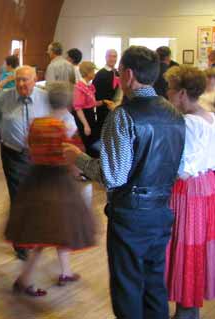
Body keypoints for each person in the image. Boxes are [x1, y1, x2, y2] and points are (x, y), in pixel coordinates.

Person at [63, 46, 185, 319]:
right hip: (163, 211)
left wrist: (78, 158)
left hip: (131, 215)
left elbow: (112, 176)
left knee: (127, 287)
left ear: (128, 75)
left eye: (119, 72)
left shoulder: (123, 115)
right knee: (154, 286)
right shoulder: (175, 115)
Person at [6, 81, 95, 296]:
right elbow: (70, 157)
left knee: (55, 231)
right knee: (49, 233)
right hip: (58, 184)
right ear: (69, 103)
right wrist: (81, 177)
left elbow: (29, 148)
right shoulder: (63, 127)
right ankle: (24, 279)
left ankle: (64, 271)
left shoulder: (37, 123)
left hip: (36, 180)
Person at [163, 65, 215, 319]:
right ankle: (188, 308)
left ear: (182, 93)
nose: (168, 94)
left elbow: (182, 167)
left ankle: (186, 311)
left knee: (185, 247)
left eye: (171, 90)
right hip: (205, 187)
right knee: (194, 247)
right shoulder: (211, 117)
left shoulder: (188, 123)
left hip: (188, 190)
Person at [0, 65, 50, 260]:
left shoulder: (44, 97)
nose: (21, 83)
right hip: (13, 154)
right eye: (18, 79)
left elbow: (63, 118)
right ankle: (21, 243)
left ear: (35, 79)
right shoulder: (5, 96)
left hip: (40, 155)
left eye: (25, 79)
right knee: (19, 198)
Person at [72, 61, 109, 157]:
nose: (94, 73)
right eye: (93, 71)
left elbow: (91, 104)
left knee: (93, 141)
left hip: (90, 115)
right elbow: (78, 109)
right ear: (87, 72)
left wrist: (104, 102)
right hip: (84, 118)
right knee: (89, 144)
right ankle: (88, 167)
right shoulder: (79, 88)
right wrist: (86, 125)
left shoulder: (88, 86)